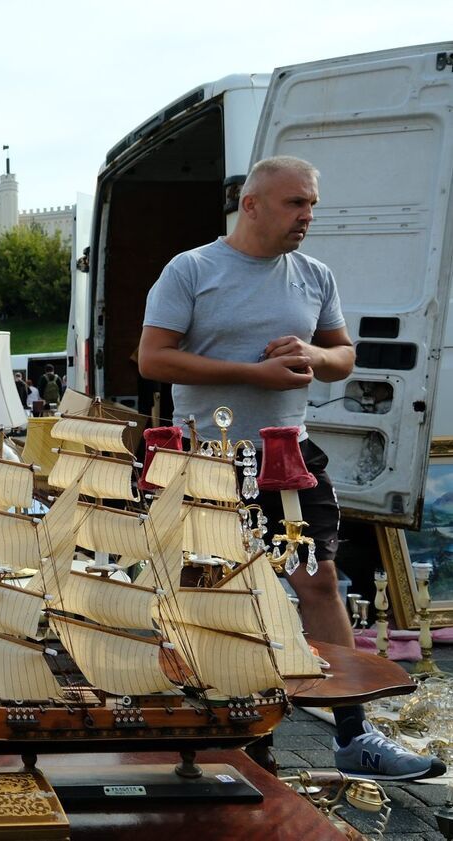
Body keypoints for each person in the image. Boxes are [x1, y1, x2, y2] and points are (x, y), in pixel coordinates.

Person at [138, 155, 443, 782]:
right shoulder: (191, 270)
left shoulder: (314, 275)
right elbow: (153, 359)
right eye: (294, 204)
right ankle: (219, 735)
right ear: (251, 205)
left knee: (320, 583)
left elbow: (343, 357)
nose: (306, 217)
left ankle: (354, 736)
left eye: (311, 205)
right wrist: (255, 374)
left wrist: (310, 352)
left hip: (288, 453)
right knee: (208, 593)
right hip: (205, 457)